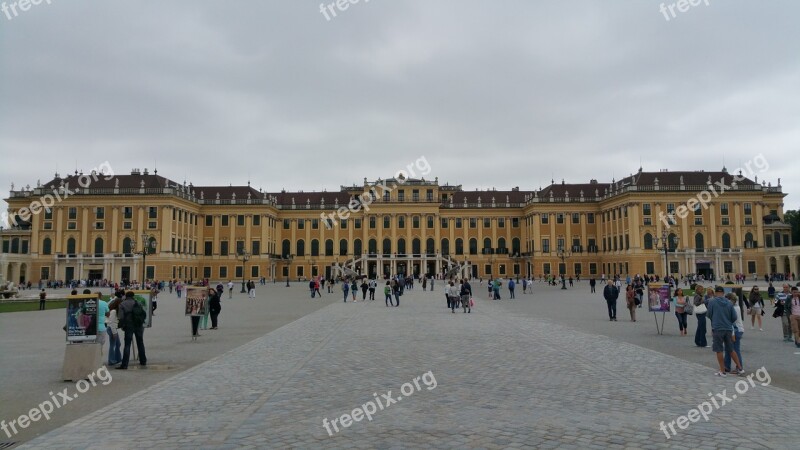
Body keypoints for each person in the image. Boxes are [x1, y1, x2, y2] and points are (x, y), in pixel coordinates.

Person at [707, 286, 743, 377]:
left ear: (715, 293)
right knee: (731, 349)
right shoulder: (729, 303)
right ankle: (740, 368)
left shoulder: (712, 302)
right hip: (728, 329)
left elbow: (709, 314)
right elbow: (734, 317)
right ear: (723, 293)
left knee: (718, 350)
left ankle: (722, 370)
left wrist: (715, 319)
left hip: (718, 328)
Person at [117, 291, 147, 369]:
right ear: (133, 296)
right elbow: (143, 313)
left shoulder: (122, 304)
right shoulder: (138, 303)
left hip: (128, 325)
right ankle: (143, 360)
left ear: (126, 296)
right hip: (138, 325)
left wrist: (122, 325)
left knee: (127, 344)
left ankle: (125, 364)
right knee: (140, 343)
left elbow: (121, 317)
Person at [724, 292, 746, 373]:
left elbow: (732, 322)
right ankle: (726, 366)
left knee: (735, 350)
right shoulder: (735, 306)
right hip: (736, 329)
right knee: (728, 348)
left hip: (736, 330)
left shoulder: (734, 308)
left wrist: (732, 333)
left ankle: (739, 367)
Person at [107, 296, 122, 366]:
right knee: (112, 345)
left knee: (118, 344)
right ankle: (111, 360)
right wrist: (114, 333)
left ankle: (118, 358)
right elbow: (111, 322)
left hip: (112, 328)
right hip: (111, 328)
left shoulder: (115, 310)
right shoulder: (113, 311)